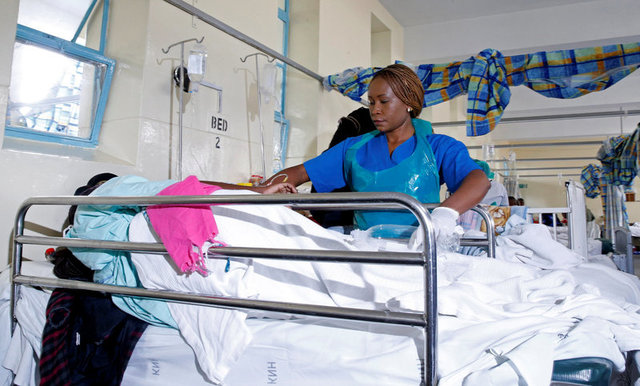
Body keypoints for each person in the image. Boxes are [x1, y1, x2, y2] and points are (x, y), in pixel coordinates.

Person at [257, 63, 490, 242]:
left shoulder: (438, 147)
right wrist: (267, 190)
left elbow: (478, 180)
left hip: (419, 245)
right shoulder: (353, 148)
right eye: (371, 102)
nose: (375, 110)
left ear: (409, 102)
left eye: (383, 101)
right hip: (367, 251)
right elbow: (298, 172)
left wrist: (445, 214)